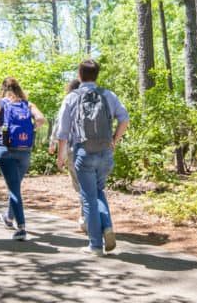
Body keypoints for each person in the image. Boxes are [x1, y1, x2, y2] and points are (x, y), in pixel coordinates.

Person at [56, 59, 129, 256]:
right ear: (97, 75)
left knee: (88, 197)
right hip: (105, 152)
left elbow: (63, 132)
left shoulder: (72, 97)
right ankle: (107, 227)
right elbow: (125, 118)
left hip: (83, 152)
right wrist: (114, 140)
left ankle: (95, 245)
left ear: (79, 76)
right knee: (98, 191)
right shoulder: (108, 95)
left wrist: (61, 157)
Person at [0, 77, 45, 241]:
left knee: (14, 188)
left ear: (3, 89)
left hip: (6, 149)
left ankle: (21, 227)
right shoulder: (27, 104)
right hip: (25, 150)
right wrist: (32, 128)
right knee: (15, 186)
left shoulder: (1, 103)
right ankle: (8, 218)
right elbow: (41, 119)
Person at [48, 79, 85, 232]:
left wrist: (53, 144)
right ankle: (98, 220)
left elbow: (60, 125)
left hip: (73, 148)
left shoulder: (69, 99)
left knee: (80, 184)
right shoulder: (93, 99)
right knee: (92, 185)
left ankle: (85, 219)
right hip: (96, 148)